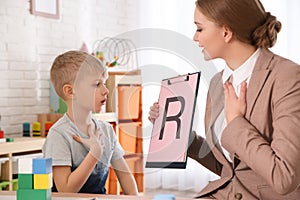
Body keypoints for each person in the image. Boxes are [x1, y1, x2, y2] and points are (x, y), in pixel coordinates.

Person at [148, 0, 300, 199]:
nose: (195, 37)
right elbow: (231, 169)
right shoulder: (217, 83)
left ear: (226, 32)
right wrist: (182, 137)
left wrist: (236, 122)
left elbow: (284, 177)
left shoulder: (287, 77)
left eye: (199, 29)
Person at [43, 50, 138, 195]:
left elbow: (125, 178)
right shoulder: (59, 134)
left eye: (104, 83)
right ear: (70, 91)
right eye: (96, 84)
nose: (106, 90)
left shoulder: (106, 130)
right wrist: (95, 153)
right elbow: (66, 191)